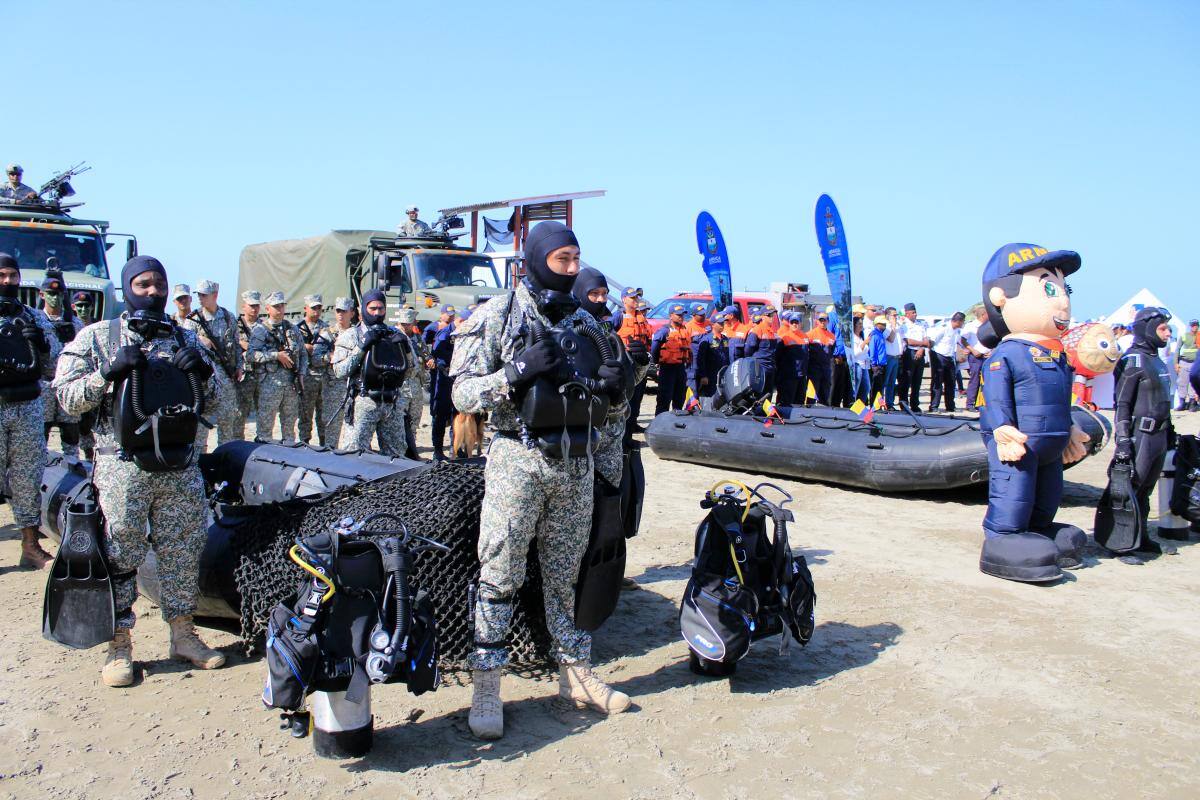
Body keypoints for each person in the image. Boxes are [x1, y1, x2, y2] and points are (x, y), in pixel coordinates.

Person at [449, 221, 630, 740]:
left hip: (574, 462)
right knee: (499, 573)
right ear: (535, 258)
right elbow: (461, 395)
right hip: (518, 461)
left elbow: (613, 398)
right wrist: (515, 372)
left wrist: (619, 388)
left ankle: (575, 676)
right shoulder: (497, 316)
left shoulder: (588, 323)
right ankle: (487, 685)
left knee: (565, 576)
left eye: (577, 260)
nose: (573, 270)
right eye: (563, 261)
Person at [53, 255, 225, 686]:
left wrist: (204, 371)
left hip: (178, 465)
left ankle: (183, 635)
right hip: (122, 468)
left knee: (183, 549)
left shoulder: (185, 338)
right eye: (143, 284)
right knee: (120, 553)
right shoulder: (97, 337)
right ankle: (119, 644)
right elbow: (65, 401)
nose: (152, 292)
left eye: (159, 285)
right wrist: (105, 375)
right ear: (128, 288)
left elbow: (222, 407)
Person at [976, 243, 1090, 583]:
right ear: (1000, 297)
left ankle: (1039, 530)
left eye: (1064, 289)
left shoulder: (1058, 355)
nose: (1062, 300)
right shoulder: (1007, 354)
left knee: (1047, 496)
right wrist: (1001, 429)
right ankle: (1003, 536)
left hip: (1050, 443)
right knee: (1014, 492)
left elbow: (1059, 398)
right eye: (1049, 288)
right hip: (1019, 441)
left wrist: (1069, 429)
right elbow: (995, 399)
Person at [1104, 307, 1179, 563]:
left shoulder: (1157, 360)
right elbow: (1122, 404)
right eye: (1162, 329)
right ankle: (1122, 545)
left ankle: (1141, 537)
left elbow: (1163, 401)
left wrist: (1170, 431)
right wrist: (1123, 440)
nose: (1167, 334)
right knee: (1129, 490)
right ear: (1147, 329)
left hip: (1158, 435)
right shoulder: (1132, 361)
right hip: (1140, 435)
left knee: (1146, 491)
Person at [0, 253, 60, 568]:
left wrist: (42, 344)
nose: (8, 282)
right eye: (2, 275)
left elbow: (54, 369)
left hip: (27, 407)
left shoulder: (33, 318)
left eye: (13, 275)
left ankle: (30, 545)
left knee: (27, 478)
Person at [331, 290, 413, 455]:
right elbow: (340, 371)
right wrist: (361, 348)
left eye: (381, 309)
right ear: (363, 309)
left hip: (392, 403)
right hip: (363, 401)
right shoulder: (351, 335)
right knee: (353, 454)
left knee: (396, 456)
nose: (377, 313)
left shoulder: (395, 335)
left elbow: (410, 372)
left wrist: (406, 349)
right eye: (372, 308)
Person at [182, 280, 243, 445]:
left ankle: (225, 458)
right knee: (201, 425)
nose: (200, 298)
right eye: (199, 295)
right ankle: (200, 462)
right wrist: (201, 341)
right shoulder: (192, 320)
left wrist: (239, 367)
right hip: (204, 379)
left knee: (227, 422)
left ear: (215, 295)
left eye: (204, 295)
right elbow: (185, 347)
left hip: (227, 377)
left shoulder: (228, 317)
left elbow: (236, 345)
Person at [248, 291, 306, 443]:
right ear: (267, 309)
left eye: (282, 306)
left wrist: (301, 374)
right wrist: (275, 355)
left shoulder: (292, 329)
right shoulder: (260, 330)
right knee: (265, 428)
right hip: (269, 384)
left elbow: (303, 354)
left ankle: (289, 458)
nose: (280, 309)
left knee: (289, 428)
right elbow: (251, 355)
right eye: (276, 306)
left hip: (291, 385)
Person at [40, 273, 83, 456]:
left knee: (70, 431)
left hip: (68, 383)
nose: (55, 297)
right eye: (50, 293)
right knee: (42, 430)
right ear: (42, 295)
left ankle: (72, 466)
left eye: (59, 294)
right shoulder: (37, 321)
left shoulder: (76, 324)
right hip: (44, 383)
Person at [296, 295, 334, 446]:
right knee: (305, 413)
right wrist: (304, 347)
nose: (316, 311)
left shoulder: (326, 328)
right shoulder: (297, 329)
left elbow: (332, 349)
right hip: (306, 377)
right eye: (313, 308)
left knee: (323, 414)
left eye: (319, 308)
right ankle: (304, 443)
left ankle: (324, 444)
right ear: (305, 308)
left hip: (323, 377)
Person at [614, 288, 651, 433]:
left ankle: (631, 428)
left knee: (638, 397)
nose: (636, 300)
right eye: (632, 298)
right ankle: (624, 434)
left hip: (640, 362)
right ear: (624, 300)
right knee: (626, 398)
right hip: (626, 360)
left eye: (637, 298)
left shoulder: (642, 317)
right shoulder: (619, 317)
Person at [322, 297, 357, 446]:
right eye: (338, 311)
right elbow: (316, 358)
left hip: (353, 387)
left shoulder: (358, 333)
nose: (341, 314)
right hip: (333, 387)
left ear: (352, 313)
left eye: (344, 311)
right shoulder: (327, 333)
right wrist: (333, 357)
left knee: (353, 428)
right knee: (332, 428)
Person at [396, 305, 431, 459]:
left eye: (408, 324)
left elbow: (426, 353)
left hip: (416, 384)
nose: (405, 327)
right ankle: (399, 450)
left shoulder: (416, 338)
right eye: (403, 324)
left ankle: (411, 449)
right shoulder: (395, 337)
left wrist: (429, 360)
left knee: (414, 419)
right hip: (401, 385)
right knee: (399, 420)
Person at [427, 305, 457, 460]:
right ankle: (437, 451)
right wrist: (429, 359)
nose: (450, 317)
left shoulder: (458, 331)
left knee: (455, 415)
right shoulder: (435, 329)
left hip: (454, 376)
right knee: (439, 412)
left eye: (452, 314)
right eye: (448, 314)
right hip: (441, 376)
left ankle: (455, 450)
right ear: (442, 314)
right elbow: (430, 349)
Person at [651, 303, 691, 414]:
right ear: (671, 316)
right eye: (678, 315)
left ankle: (675, 424)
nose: (681, 317)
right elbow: (655, 345)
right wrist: (656, 362)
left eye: (682, 315)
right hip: (667, 368)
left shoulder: (684, 330)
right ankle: (659, 422)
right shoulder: (665, 330)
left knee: (679, 397)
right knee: (664, 397)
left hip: (681, 368)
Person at [927, 311, 965, 412]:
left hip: (950, 357)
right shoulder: (944, 328)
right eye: (962, 322)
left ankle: (950, 406)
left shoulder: (956, 331)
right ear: (958, 321)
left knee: (951, 382)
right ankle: (934, 406)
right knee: (937, 382)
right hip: (939, 356)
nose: (963, 324)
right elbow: (932, 342)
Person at [236, 291, 262, 437]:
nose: (254, 309)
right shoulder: (235, 325)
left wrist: (247, 346)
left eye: (257, 306)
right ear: (243, 306)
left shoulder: (264, 326)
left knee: (263, 415)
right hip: (243, 376)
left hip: (261, 375)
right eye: (251, 306)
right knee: (240, 415)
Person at [897, 303, 929, 411]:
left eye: (915, 312)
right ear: (907, 313)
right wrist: (921, 344)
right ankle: (904, 404)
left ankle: (915, 405)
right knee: (906, 380)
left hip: (920, 352)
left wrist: (921, 348)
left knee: (917, 381)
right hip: (909, 352)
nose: (915, 314)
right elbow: (907, 340)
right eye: (913, 312)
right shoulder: (903, 325)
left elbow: (926, 340)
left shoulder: (921, 325)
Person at [744, 306, 781, 396]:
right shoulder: (757, 330)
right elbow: (748, 350)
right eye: (769, 315)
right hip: (760, 368)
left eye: (773, 315)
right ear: (763, 316)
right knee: (759, 394)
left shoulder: (771, 331)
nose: (771, 317)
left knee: (768, 395)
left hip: (770, 367)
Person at [961, 307, 992, 411]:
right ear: (983, 315)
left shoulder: (990, 325)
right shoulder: (970, 326)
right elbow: (963, 339)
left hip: (988, 356)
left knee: (987, 380)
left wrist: (992, 351)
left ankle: (982, 403)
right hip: (976, 356)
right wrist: (972, 350)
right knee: (975, 380)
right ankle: (970, 404)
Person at [696, 311, 732, 398]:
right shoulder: (706, 340)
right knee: (711, 396)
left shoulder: (725, 339)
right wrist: (703, 376)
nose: (722, 325)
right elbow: (701, 359)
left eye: (723, 323)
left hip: (723, 373)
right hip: (711, 374)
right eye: (719, 323)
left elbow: (728, 356)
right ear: (713, 324)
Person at [775, 312, 808, 406]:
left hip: (802, 376)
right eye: (792, 322)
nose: (794, 324)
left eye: (796, 322)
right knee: (786, 402)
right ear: (789, 324)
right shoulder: (784, 337)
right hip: (789, 377)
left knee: (800, 401)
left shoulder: (805, 337)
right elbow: (777, 357)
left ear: (800, 323)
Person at [806, 312, 835, 405]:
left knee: (825, 392)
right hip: (814, 368)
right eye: (821, 320)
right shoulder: (810, 334)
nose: (823, 322)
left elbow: (832, 351)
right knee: (812, 393)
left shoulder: (832, 336)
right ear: (817, 321)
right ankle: (808, 410)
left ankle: (824, 411)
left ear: (828, 321)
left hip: (826, 368)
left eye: (825, 320)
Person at [685, 304, 711, 395]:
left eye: (704, 314)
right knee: (693, 389)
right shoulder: (688, 327)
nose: (703, 316)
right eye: (700, 315)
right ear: (693, 315)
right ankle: (692, 408)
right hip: (694, 363)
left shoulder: (709, 324)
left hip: (707, 361)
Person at [882, 306, 904, 408]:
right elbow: (890, 339)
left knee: (892, 382)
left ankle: (889, 403)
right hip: (888, 357)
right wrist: (893, 326)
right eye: (894, 315)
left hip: (896, 357)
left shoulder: (897, 327)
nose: (896, 317)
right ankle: (881, 404)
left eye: (896, 315)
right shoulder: (886, 327)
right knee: (885, 382)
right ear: (888, 316)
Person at [866, 316, 890, 408]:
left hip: (882, 364)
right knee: (876, 388)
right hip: (877, 365)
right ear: (877, 324)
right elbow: (872, 350)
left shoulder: (880, 334)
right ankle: (874, 406)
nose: (885, 325)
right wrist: (874, 364)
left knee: (880, 388)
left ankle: (878, 405)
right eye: (883, 324)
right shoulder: (874, 335)